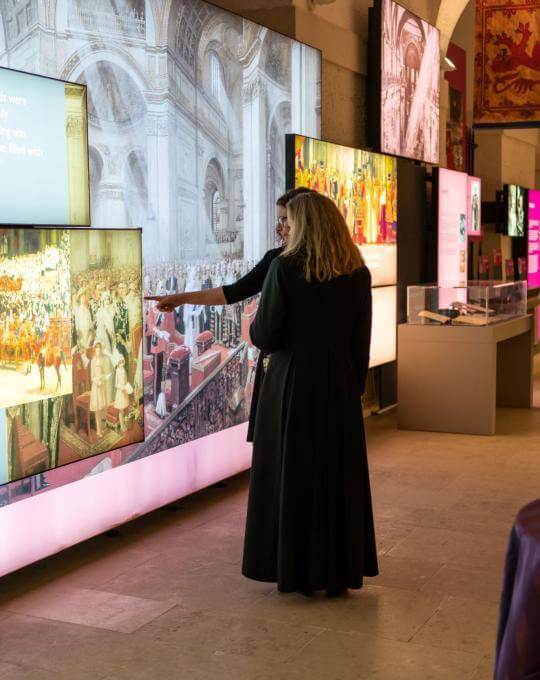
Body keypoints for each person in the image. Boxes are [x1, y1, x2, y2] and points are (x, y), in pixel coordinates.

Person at [244, 191, 378, 596]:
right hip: (337, 383)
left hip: (291, 383)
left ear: (304, 225)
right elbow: (361, 343)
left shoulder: (284, 269)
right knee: (336, 477)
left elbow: (265, 334)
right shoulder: (357, 272)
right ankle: (338, 569)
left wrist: (255, 323)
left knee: (295, 476)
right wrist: (352, 387)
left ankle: (297, 570)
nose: (281, 228)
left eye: (288, 221)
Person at [146, 186, 313, 439]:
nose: (279, 228)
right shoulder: (289, 259)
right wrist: (181, 298)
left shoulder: (281, 264)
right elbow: (231, 292)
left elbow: (250, 317)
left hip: (287, 372)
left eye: (284, 220)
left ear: (302, 220)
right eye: (279, 220)